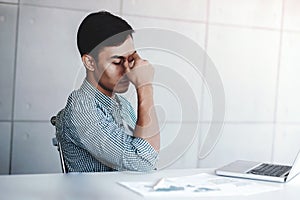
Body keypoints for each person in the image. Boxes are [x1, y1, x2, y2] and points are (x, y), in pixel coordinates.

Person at [55, 11, 160, 172]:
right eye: (117, 62)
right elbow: (142, 162)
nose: (127, 70)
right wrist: (145, 86)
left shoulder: (122, 105)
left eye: (131, 59)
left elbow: (149, 157)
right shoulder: (81, 108)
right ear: (90, 62)